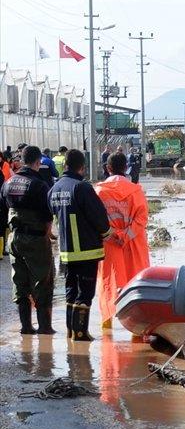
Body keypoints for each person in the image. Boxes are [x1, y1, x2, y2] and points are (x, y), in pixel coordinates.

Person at [49, 149, 111, 341]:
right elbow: (99, 216)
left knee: (70, 291)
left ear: (65, 165)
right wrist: (107, 233)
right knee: (85, 292)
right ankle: (81, 333)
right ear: (82, 167)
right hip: (86, 251)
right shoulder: (82, 188)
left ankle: (71, 332)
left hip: (66, 251)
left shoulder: (54, 190)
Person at [2, 146, 55, 334]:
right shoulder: (39, 185)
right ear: (38, 162)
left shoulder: (8, 183)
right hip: (36, 238)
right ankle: (45, 328)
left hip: (14, 238)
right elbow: (48, 215)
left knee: (20, 281)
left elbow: (3, 209)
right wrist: (48, 234)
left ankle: (26, 327)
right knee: (44, 280)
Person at [94, 152, 150, 330]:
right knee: (137, 284)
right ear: (126, 167)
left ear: (107, 168)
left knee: (108, 283)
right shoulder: (136, 191)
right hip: (133, 245)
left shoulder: (99, 191)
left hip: (108, 245)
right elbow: (142, 218)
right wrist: (126, 235)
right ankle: (138, 329)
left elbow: (94, 220)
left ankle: (107, 325)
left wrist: (112, 234)